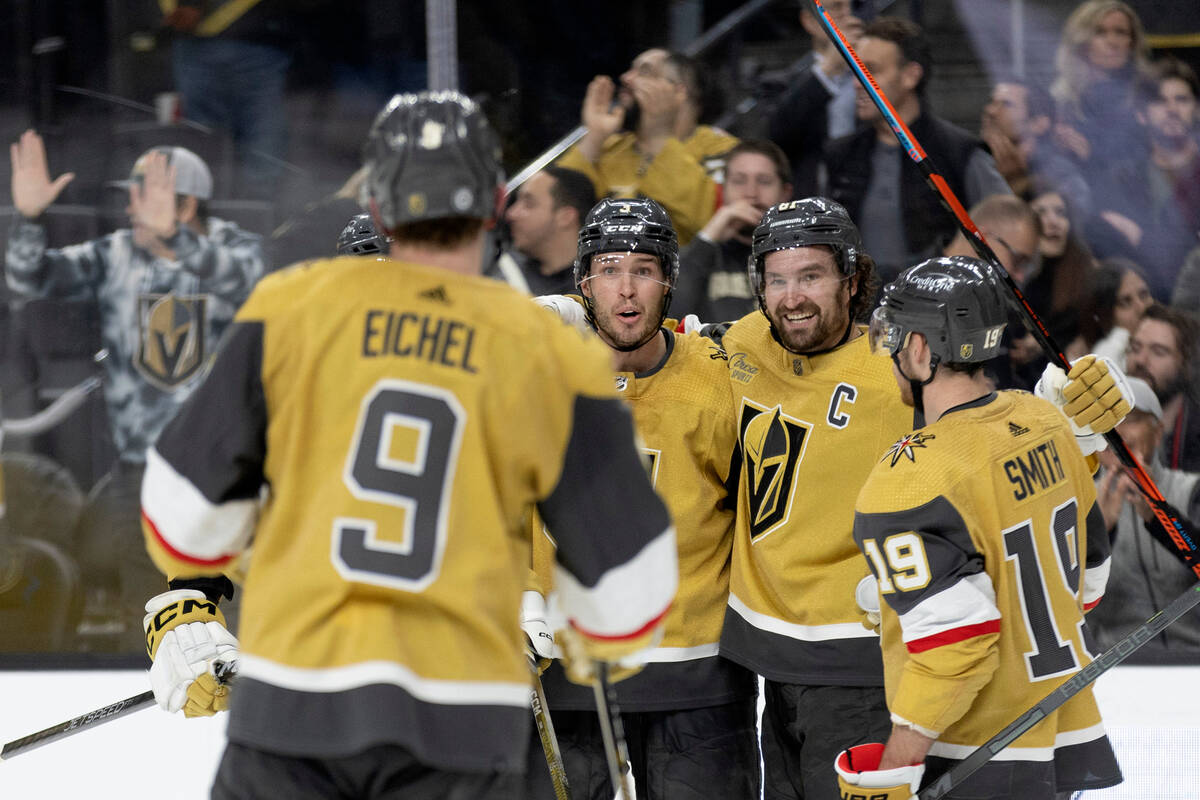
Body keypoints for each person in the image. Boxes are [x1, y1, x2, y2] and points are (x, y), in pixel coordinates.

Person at [138, 91, 678, 799]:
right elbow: (631, 590)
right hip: (460, 722)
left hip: (292, 711)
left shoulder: (285, 315)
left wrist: (185, 606)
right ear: (492, 203)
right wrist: (561, 622)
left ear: (382, 207)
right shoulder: (539, 351)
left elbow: (181, 520)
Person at [837, 255, 1124, 799]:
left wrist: (894, 769)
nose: (890, 353)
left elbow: (958, 648)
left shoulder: (908, 479)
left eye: (895, 339)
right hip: (1059, 733)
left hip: (977, 757)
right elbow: (1088, 583)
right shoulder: (1046, 423)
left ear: (919, 349)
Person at [527, 197, 759, 799]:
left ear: (670, 284)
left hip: (697, 675)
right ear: (583, 284)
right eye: (609, 270)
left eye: (644, 270)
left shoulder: (721, 374)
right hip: (566, 670)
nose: (626, 291)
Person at [6, 132, 265, 651]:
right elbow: (28, 280)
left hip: (223, 470)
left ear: (187, 203)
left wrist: (178, 239)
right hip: (138, 472)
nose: (129, 208)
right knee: (146, 615)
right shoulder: (116, 253)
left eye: (142, 196)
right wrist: (29, 220)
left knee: (228, 609)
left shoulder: (235, 248)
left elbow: (251, 285)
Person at [715, 197, 907, 799]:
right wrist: (574, 320)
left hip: (860, 668)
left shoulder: (898, 372)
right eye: (776, 279)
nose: (791, 296)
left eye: (811, 276)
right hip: (770, 663)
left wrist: (1062, 424)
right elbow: (666, 353)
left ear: (851, 282)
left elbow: (976, 446)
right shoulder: (745, 343)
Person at [822, 17, 1011, 283]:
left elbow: (1010, 230)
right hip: (859, 316)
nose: (856, 82)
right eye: (855, 70)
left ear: (911, 75)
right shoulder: (840, 154)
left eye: (871, 70)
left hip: (939, 313)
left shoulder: (959, 152)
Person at [556, 48, 738, 245]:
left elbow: (717, 226)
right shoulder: (610, 148)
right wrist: (594, 137)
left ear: (678, 92)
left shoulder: (724, 151)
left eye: (644, 72)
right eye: (630, 70)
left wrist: (658, 137)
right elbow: (551, 215)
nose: (626, 78)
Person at [1088, 376, 1200, 657]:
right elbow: (1061, 599)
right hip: (1116, 669)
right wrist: (1099, 532)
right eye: (1107, 423)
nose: (1118, 433)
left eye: (1131, 419)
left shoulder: (1191, 490)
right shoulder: (1076, 503)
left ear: (1158, 432)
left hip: (1193, 659)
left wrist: (1161, 518)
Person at [159, 0, 294, 199]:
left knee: (210, 139)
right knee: (259, 132)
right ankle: (257, 212)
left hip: (233, 33)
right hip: (253, 32)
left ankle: (213, 210)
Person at [1092, 57, 1200, 300]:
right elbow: (1109, 252)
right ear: (1141, 114)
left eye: (1181, 99)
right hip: (1139, 307)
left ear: (1196, 110)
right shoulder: (1119, 178)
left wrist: (1141, 237)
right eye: (1160, 101)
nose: (1172, 109)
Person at [673, 139, 793, 322]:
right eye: (739, 181)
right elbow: (668, 314)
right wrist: (707, 238)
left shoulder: (800, 257)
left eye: (764, 181)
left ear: (785, 193)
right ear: (723, 190)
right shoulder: (702, 255)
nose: (751, 193)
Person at [769, 0, 865, 197]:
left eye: (852, 7)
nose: (847, 16)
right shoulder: (782, 83)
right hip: (810, 200)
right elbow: (776, 139)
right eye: (836, 7)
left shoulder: (875, 75)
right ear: (809, 21)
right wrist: (829, 68)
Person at [1050, 0, 1152, 181]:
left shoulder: (1149, 95)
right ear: (1081, 41)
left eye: (1120, 32)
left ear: (1132, 42)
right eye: (1100, 32)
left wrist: (1091, 156)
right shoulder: (1060, 99)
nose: (1112, 42)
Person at [979, 76, 1088, 203]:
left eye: (1006, 104)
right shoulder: (974, 161)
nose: (990, 110)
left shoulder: (1060, 177)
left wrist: (1012, 181)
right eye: (992, 102)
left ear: (1039, 124)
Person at [498, 166, 596, 296]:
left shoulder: (598, 292)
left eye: (528, 204)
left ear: (565, 217)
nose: (511, 214)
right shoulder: (503, 273)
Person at [1125, 304, 1200, 472]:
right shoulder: (1103, 422)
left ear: (1185, 364)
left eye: (1158, 352)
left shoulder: (1196, 433)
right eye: (1135, 348)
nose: (1141, 361)